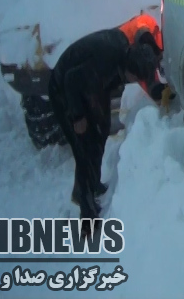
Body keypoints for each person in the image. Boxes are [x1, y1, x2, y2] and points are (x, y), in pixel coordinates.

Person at [48, 28, 160, 224]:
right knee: (83, 147)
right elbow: (71, 80)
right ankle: (87, 212)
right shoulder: (104, 62)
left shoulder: (125, 53)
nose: (135, 82)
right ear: (129, 70)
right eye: (135, 78)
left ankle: (93, 183)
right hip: (64, 90)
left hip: (89, 87)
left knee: (100, 132)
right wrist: (77, 116)